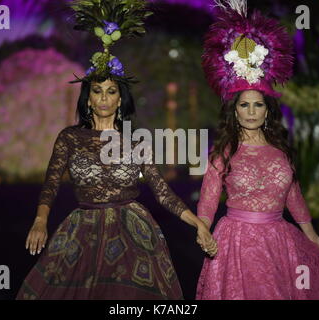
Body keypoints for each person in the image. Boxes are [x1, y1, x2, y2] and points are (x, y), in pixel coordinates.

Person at [16, 0, 217, 300]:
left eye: (111, 91)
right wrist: (40, 220)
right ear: (88, 98)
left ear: (120, 99)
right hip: (81, 232)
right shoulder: (69, 138)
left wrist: (198, 224)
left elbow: (162, 192)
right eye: (97, 91)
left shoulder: (136, 141)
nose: (104, 98)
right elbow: (51, 185)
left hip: (132, 232)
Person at [195, 0, 319, 299]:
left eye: (257, 105)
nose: (250, 111)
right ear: (235, 112)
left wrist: (310, 233)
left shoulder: (281, 151)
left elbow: (294, 195)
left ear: (267, 111)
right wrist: (203, 229)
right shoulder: (224, 152)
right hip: (237, 243)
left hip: (280, 241)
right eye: (244, 105)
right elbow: (208, 199)